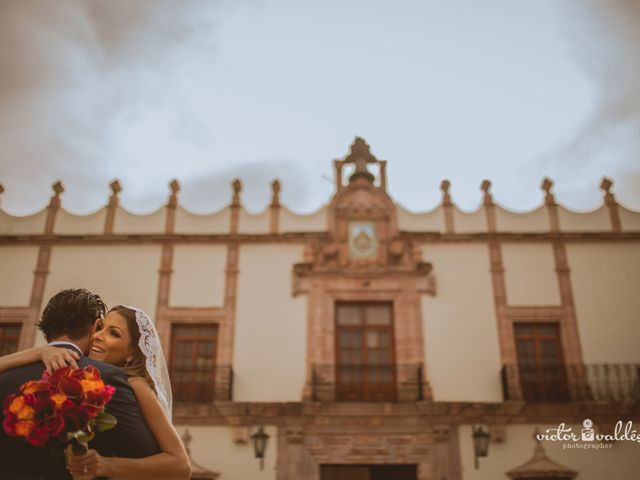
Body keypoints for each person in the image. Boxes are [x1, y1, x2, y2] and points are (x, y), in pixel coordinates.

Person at [0, 288, 191, 480]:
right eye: (100, 328)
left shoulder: (133, 384)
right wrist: (37, 352)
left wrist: (106, 465)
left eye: (113, 333)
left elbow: (178, 465)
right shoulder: (105, 377)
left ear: (133, 352)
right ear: (93, 326)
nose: (98, 336)